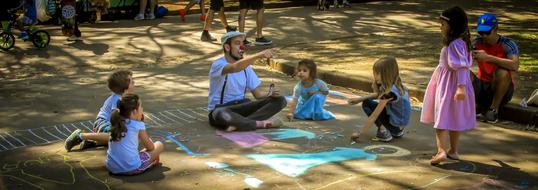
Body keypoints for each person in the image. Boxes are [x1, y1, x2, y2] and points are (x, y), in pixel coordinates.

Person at [420, 6, 475, 165]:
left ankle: (441, 151)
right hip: (454, 84)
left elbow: (462, 67)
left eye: (443, 24)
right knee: (454, 118)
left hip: (449, 86)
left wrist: (461, 87)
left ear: (453, 26)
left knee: (441, 118)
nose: (440, 27)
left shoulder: (455, 45)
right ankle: (453, 151)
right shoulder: (462, 42)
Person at [208, 31, 287, 131]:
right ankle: (260, 123)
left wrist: (270, 94)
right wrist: (259, 55)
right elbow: (234, 67)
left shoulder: (247, 67)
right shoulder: (218, 65)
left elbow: (258, 95)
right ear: (227, 47)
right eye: (237, 43)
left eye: (243, 43)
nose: (242, 47)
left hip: (242, 107)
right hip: (222, 109)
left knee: (280, 100)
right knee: (220, 113)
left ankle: (240, 123)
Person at [64, 70, 135, 151]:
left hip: (105, 124)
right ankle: (80, 136)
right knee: (118, 136)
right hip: (103, 122)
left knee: (122, 137)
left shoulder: (123, 98)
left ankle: (93, 142)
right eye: (132, 82)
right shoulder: (117, 99)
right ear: (125, 88)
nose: (134, 83)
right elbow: (114, 118)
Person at [348, 56, 411, 142]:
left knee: (367, 104)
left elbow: (374, 115)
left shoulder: (389, 93)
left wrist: (359, 133)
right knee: (367, 100)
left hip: (396, 122)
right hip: (399, 122)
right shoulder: (396, 86)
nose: (375, 77)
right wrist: (360, 99)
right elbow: (379, 95)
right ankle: (395, 131)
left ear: (386, 74)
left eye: (377, 74)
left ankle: (384, 131)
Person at [472, 13, 519, 123]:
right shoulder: (477, 42)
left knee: (503, 72)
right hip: (482, 85)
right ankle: (474, 105)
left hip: (501, 88)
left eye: (487, 32)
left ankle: (493, 110)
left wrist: (488, 58)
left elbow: (515, 65)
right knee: (464, 73)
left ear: (496, 29)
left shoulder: (508, 44)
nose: (483, 36)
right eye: (481, 32)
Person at [106, 93, 164, 175]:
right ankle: (149, 163)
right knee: (159, 145)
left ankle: (145, 161)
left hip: (112, 167)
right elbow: (150, 147)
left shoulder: (116, 122)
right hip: (131, 168)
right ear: (134, 112)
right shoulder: (137, 125)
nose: (142, 109)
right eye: (141, 107)